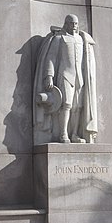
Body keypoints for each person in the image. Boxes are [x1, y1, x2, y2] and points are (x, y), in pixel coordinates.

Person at [33, 14, 97, 144]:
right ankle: (63, 134)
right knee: (66, 105)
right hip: (65, 75)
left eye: (75, 24)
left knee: (78, 107)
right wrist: (49, 76)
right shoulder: (59, 38)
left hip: (79, 77)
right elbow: (51, 58)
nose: (74, 26)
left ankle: (74, 134)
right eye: (71, 23)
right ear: (66, 24)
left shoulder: (81, 39)